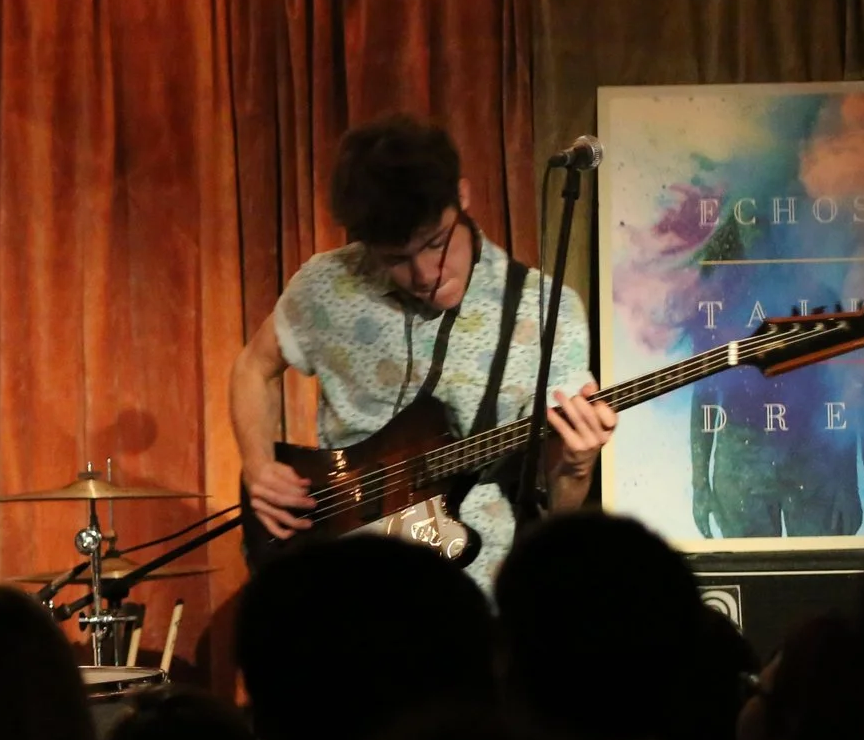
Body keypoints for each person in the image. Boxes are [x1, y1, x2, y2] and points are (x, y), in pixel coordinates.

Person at [229, 113, 617, 588]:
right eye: (395, 258)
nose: (424, 272)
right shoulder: (327, 284)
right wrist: (258, 464)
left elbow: (561, 509)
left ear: (463, 196)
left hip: (474, 601)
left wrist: (576, 465)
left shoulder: (545, 311)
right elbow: (253, 367)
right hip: (338, 587)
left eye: (436, 243)